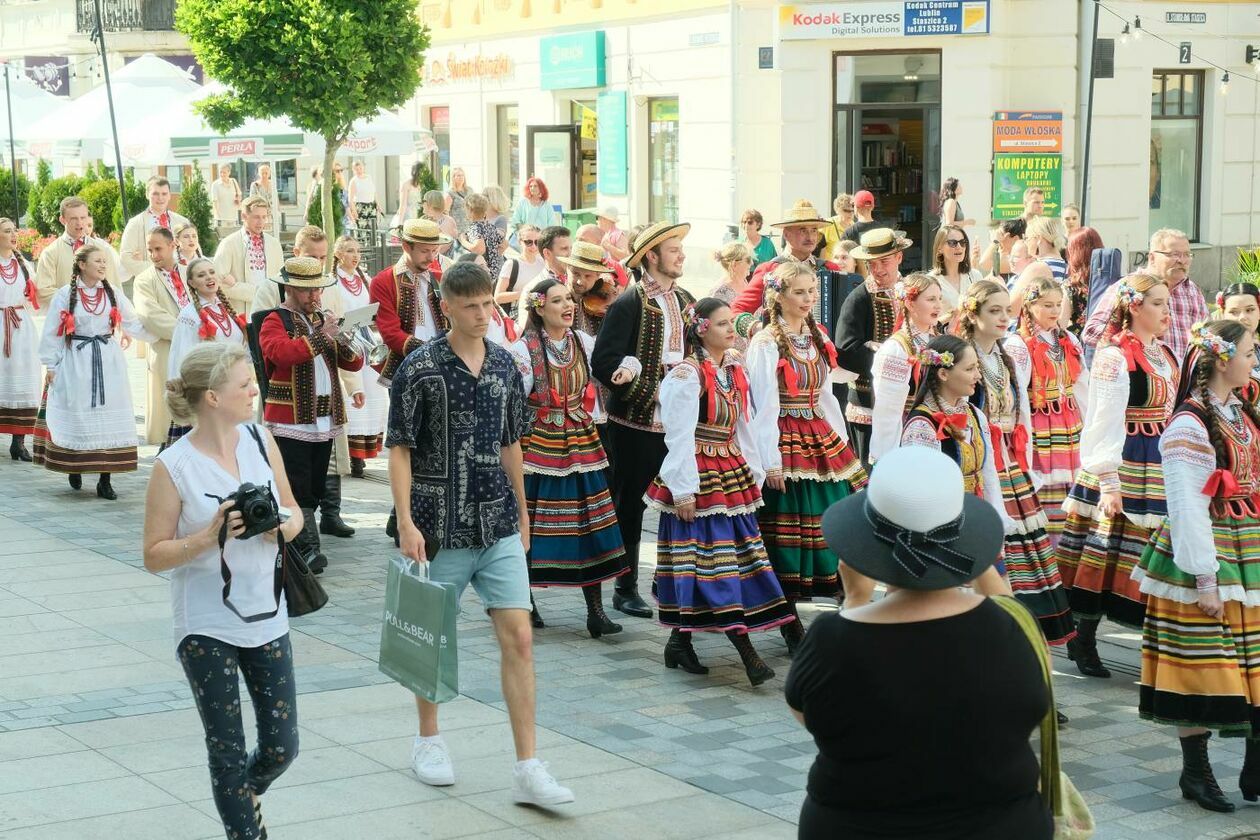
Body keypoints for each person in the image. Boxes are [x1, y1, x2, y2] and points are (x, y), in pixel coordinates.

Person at [788, 446, 1053, 840]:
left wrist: (856, 600)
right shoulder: (1014, 630)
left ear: (863, 550)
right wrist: (979, 562)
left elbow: (813, 720)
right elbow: (1014, 618)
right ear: (964, 542)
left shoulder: (833, 640)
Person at [386, 261, 575, 805]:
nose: (482, 314)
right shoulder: (419, 368)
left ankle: (528, 765)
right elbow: (399, 446)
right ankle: (429, 740)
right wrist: (404, 520)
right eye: (470, 306)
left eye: (488, 303)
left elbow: (512, 440)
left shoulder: (502, 365)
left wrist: (522, 510)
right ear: (445, 306)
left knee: (519, 636)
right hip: (437, 523)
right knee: (431, 638)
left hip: (496, 521)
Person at [141, 341, 304, 840]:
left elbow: (296, 513)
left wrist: (280, 525)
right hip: (205, 622)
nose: (256, 389)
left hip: (267, 613)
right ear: (212, 397)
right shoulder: (175, 465)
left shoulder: (261, 440)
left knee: (283, 745)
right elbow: (153, 554)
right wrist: (207, 537)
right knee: (227, 747)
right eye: (245, 384)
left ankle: (247, 792)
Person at [1128, 320, 1260, 813]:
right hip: (1203, 553)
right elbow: (1185, 504)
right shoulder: (1189, 423)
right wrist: (1205, 576)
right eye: (1250, 352)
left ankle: (1254, 766)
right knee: (1205, 666)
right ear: (1223, 359)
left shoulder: (1241, 412)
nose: (1255, 360)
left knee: (1254, 662)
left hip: (1247, 550)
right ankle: (1195, 772)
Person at [647, 297, 791, 684]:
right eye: (722, 323)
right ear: (701, 328)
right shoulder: (686, 375)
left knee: (725, 563)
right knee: (710, 565)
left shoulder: (733, 369)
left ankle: (679, 642)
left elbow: (743, 425)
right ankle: (748, 656)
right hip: (699, 476)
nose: (731, 329)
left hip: (729, 476)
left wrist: (755, 472)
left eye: (732, 322)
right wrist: (683, 490)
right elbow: (677, 436)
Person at [1058, 272, 1177, 677]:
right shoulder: (1114, 356)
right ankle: (1084, 639)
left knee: (1150, 553)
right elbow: (1103, 420)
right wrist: (1108, 480)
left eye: (1167, 302)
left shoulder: (1163, 353)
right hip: (1124, 460)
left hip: (1158, 461)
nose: (1167, 311)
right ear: (1134, 307)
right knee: (1104, 551)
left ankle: (1154, 648)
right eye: (1158, 303)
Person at [746, 261, 869, 636]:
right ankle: (790, 623)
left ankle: (850, 608)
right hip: (785, 439)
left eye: (811, 291)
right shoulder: (766, 342)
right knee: (790, 533)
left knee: (835, 522)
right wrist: (770, 462)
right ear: (778, 296)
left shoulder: (816, 335)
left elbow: (826, 393)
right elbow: (762, 406)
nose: (808, 299)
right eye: (799, 292)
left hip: (818, 436)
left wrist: (841, 443)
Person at [507, 278, 627, 635]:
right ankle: (524, 601)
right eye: (558, 301)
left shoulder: (584, 342)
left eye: (569, 299)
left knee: (593, 523)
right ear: (539, 308)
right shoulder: (522, 350)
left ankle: (596, 611)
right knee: (531, 523)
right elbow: (513, 404)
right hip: (539, 445)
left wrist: (628, 369)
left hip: (581, 441)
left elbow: (611, 363)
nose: (568, 306)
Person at [960, 280, 1076, 645]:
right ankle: (985, 626)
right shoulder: (966, 356)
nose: (1003, 318)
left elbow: (1021, 410)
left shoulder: (1005, 355)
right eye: (994, 311)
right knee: (990, 544)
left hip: (1009, 458)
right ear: (973, 315)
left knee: (1026, 547)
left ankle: (1021, 630)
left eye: (1006, 310)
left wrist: (1025, 460)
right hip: (981, 460)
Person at [592, 220, 696, 619]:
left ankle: (677, 581)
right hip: (636, 423)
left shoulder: (686, 298)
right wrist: (648, 392)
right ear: (651, 256)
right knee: (630, 504)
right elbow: (603, 363)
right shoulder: (629, 302)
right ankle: (624, 586)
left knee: (683, 498)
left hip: (680, 423)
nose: (681, 255)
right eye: (673, 250)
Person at [258, 256, 365, 574]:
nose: (315, 297)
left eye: (317, 290)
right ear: (289, 288)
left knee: (315, 485)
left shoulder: (320, 319)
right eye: (308, 291)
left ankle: (296, 542)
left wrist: (342, 335)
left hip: (324, 419)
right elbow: (281, 354)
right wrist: (322, 337)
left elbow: (354, 363)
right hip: (290, 420)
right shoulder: (274, 320)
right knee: (297, 485)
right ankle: (308, 549)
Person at [36, 244, 154, 497]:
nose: (103, 265)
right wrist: (51, 364)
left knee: (107, 417)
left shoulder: (112, 294)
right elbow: (52, 332)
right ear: (82, 265)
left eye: (104, 261)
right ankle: (75, 465)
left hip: (108, 361)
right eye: (97, 261)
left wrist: (164, 334)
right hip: (76, 359)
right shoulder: (66, 294)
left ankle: (105, 479)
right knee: (80, 414)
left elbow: (133, 323)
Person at [898, 336, 1006, 543]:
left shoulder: (975, 414)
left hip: (976, 517)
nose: (978, 375)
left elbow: (988, 472)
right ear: (943, 373)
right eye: (969, 369)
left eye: (977, 367)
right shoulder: (922, 425)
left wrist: (996, 518)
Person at [1012, 275, 1090, 546]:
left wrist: (1089, 424)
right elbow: (1020, 395)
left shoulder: (1068, 339)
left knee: (1073, 486)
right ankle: (1049, 549)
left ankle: (1071, 549)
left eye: (1058, 304)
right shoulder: (1019, 344)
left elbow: (1082, 384)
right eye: (1047, 305)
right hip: (1041, 424)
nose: (1055, 311)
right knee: (1046, 486)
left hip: (1070, 423)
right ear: (1030, 306)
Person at [835, 228, 912, 466]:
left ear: (899, 257)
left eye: (884, 261)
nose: (877, 269)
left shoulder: (910, 291)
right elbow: (845, 350)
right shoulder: (859, 298)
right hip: (869, 402)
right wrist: (888, 361)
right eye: (871, 264)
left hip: (907, 403)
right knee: (874, 474)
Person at [1084, 229, 1207, 363]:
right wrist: (1140, 335)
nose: (1182, 261)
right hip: (1141, 377)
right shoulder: (1128, 287)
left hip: (1184, 380)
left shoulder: (1192, 290)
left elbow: (1206, 334)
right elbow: (1091, 332)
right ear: (1152, 258)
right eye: (1175, 254)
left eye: (1187, 254)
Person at [732, 200, 846, 341]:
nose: (810, 237)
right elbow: (736, 309)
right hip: (784, 351)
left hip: (825, 351)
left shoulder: (829, 269)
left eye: (814, 230)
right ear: (786, 234)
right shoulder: (770, 270)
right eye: (803, 231)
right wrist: (758, 328)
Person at [166, 258, 248, 448]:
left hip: (231, 387)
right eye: (201, 275)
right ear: (192, 283)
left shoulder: (226, 310)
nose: (209, 278)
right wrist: (180, 392)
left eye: (211, 272)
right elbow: (181, 354)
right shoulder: (189, 315)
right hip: (206, 388)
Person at [869, 273, 943, 463]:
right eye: (931, 299)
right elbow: (888, 412)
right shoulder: (896, 349)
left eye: (939, 299)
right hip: (908, 438)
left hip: (939, 434)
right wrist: (887, 459)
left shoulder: (938, 342)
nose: (938, 305)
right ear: (910, 304)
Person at [371, 218, 453, 387]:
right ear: (406, 246)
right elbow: (390, 333)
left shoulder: (439, 277)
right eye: (425, 251)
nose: (431, 257)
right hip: (404, 370)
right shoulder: (383, 281)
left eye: (434, 250)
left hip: (444, 369)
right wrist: (431, 353)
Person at [333, 235, 388, 477]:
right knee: (352, 394)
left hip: (365, 338)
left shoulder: (363, 278)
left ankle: (365, 451)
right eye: (349, 251)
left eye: (357, 251)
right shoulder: (333, 281)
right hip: (346, 340)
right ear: (338, 254)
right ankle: (352, 456)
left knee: (372, 390)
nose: (355, 256)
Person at [134, 227, 193, 445]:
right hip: (166, 349)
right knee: (167, 411)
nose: (153, 255)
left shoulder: (191, 271)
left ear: (173, 245)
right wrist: (189, 329)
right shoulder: (144, 280)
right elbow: (150, 315)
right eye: (150, 250)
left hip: (197, 348)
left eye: (158, 249)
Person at [34, 197, 120, 310]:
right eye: (74, 218)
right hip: (67, 320)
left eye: (83, 218)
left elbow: (115, 286)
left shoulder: (103, 249)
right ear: (62, 220)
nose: (79, 223)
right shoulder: (50, 253)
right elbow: (43, 291)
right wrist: (78, 300)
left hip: (100, 317)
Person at [0, 217, 39, 461]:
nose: (13, 235)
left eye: (15, 230)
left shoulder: (23, 263)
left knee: (23, 382)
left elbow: (33, 301)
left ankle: (19, 443)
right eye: (7, 231)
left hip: (22, 328)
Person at [213, 196, 284, 315]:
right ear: (244, 216)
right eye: (256, 217)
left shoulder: (274, 244)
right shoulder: (229, 243)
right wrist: (253, 292)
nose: (261, 222)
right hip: (240, 314)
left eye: (264, 217)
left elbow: (281, 281)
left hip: (270, 313)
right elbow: (217, 283)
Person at [119, 177, 190, 280]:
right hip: (151, 282)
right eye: (155, 194)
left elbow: (195, 252)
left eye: (164, 194)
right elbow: (125, 258)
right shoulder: (135, 223)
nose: (160, 198)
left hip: (182, 281)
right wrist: (156, 270)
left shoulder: (182, 221)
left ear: (169, 195)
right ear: (147, 195)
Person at [928, 224, 982, 328]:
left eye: (963, 243)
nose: (959, 247)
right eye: (953, 243)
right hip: (945, 340)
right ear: (939, 249)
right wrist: (952, 314)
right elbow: (928, 321)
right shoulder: (931, 281)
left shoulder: (975, 275)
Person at [558, 240, 615, 337]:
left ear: (598, 276)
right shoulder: (556, 297)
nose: (580, 281)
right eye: (576, 274)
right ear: (567, 268)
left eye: (588, 276)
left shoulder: (604, 299)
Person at [1216, 282, 1260, 400]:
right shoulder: (1215, 352)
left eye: (1249, 310)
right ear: (1222, 313)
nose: (1242, 317)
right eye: (1234, 312)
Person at [495, 223, 545, 315]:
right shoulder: (511, 264)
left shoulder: (543, 263)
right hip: (518, 315)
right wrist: (526, 294)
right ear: (520, 242)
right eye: (528, 242)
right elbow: (498, 297)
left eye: (537, 242)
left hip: (539, 314)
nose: (533, 246)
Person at [1065, 226, 1104, 334]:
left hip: (1081, 346)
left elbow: (1060, 326)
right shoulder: (1111, 282)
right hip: (1109, 345)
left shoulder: (1071, 286)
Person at [459, 193, 506, 279]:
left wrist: (463, 240)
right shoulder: (490, 226)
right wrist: (494, 255)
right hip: (494, 271)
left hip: (482, 272)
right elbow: (505, 245)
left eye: (465, 209)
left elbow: (479, 249)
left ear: (470, 211)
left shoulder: (475, 228)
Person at [976, 218, 1026, 283]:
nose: (999, 238)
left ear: (1015, 238)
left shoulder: (1021, 258)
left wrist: (995, 242)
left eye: (1001, 235)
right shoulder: (1004, 255)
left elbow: (985, 263)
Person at [708, 241, 752, 307]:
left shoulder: (744, 282)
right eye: (748, 259)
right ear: (734, 264)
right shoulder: (719, 292)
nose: (752, 263)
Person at [1025, 216, 1068, 281]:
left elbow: (1013, 291)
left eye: (1027, 237)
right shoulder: (1067, 268)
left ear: (1039, 238)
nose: (1026, 242)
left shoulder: (1037, 268)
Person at [421, 189, 458, 255]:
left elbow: (445, 245)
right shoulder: (424, 219)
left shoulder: (447, 221)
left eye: (424, 201)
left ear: (431, 204)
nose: (422, 204)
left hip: (442, 260)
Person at [820, 193, 854, 261]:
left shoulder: (854, 226)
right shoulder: (827, 225)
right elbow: (819, 251)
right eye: (846, 210)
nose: (850, 213)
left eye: (852, 211)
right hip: (830, 269)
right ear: (837, 210)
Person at [249, 163, 280, 236]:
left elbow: (276, 198)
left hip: (272, 213)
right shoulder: (255, 185)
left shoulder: (273, 183)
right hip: (261, 214)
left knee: (273, 233)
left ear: (269, 173)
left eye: (266, 173)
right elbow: (252, 200)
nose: (264, 175)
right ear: (259, 174)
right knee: (262, 233)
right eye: (262, 173)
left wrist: (278, 210)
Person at [347, 160, 378, 227]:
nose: (359, 171)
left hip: (371, 206)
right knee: (362, 230)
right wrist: (355, 212)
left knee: (373, 229)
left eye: (360, 168)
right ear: (353, 170)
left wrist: (378, 204)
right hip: (360, 207)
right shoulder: (353, 181)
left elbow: (373, 192)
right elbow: (350, 200)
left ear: (363, 167)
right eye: (356, 169)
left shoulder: (369, 177)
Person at [445, 167, 472, 235]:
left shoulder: (470, 190)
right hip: (457, 228)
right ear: (453, 178)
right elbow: (446, 212)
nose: (461, 177)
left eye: (462, 175)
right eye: (458, 175)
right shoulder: (450, 193)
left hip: (470, 226)